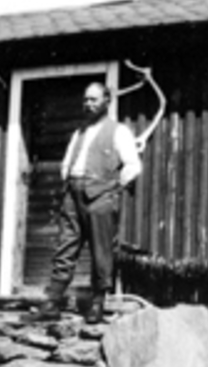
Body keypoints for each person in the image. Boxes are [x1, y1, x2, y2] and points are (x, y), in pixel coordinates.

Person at [30, 82, 142, 325]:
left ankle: (98, 303)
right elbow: (67, 163)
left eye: (94, 99)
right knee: (65, 246)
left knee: (101, 251)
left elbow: (133, 166)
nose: (88, 104)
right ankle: (53, 301)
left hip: (101, 196)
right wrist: (68, 181)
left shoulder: (118, 131)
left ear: (106, 101)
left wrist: (112, 187)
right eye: (86, 100)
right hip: (73, 194)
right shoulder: (79, 132)